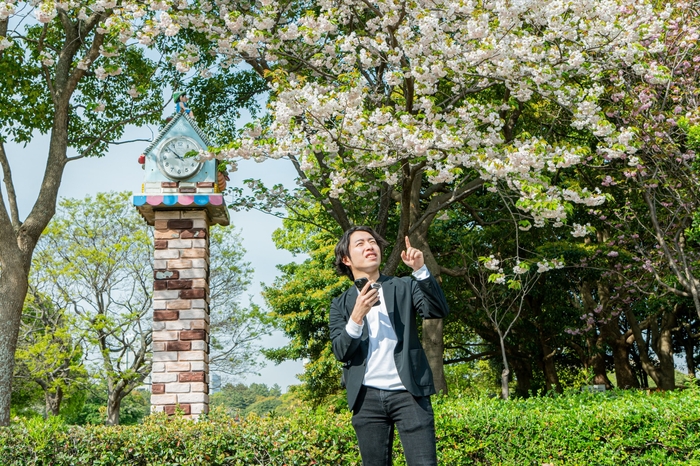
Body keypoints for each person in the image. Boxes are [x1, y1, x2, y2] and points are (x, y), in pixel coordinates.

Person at [329, 226, 449, 466]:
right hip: (366, 397)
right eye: (360, 244)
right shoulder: (341, 304)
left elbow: (437, 310)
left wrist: (420, 270)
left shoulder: (404, 286)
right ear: (346, 259)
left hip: (409, 391)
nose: (369, 246)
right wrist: (356, 316)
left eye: (372, 241)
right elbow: (341, 351)